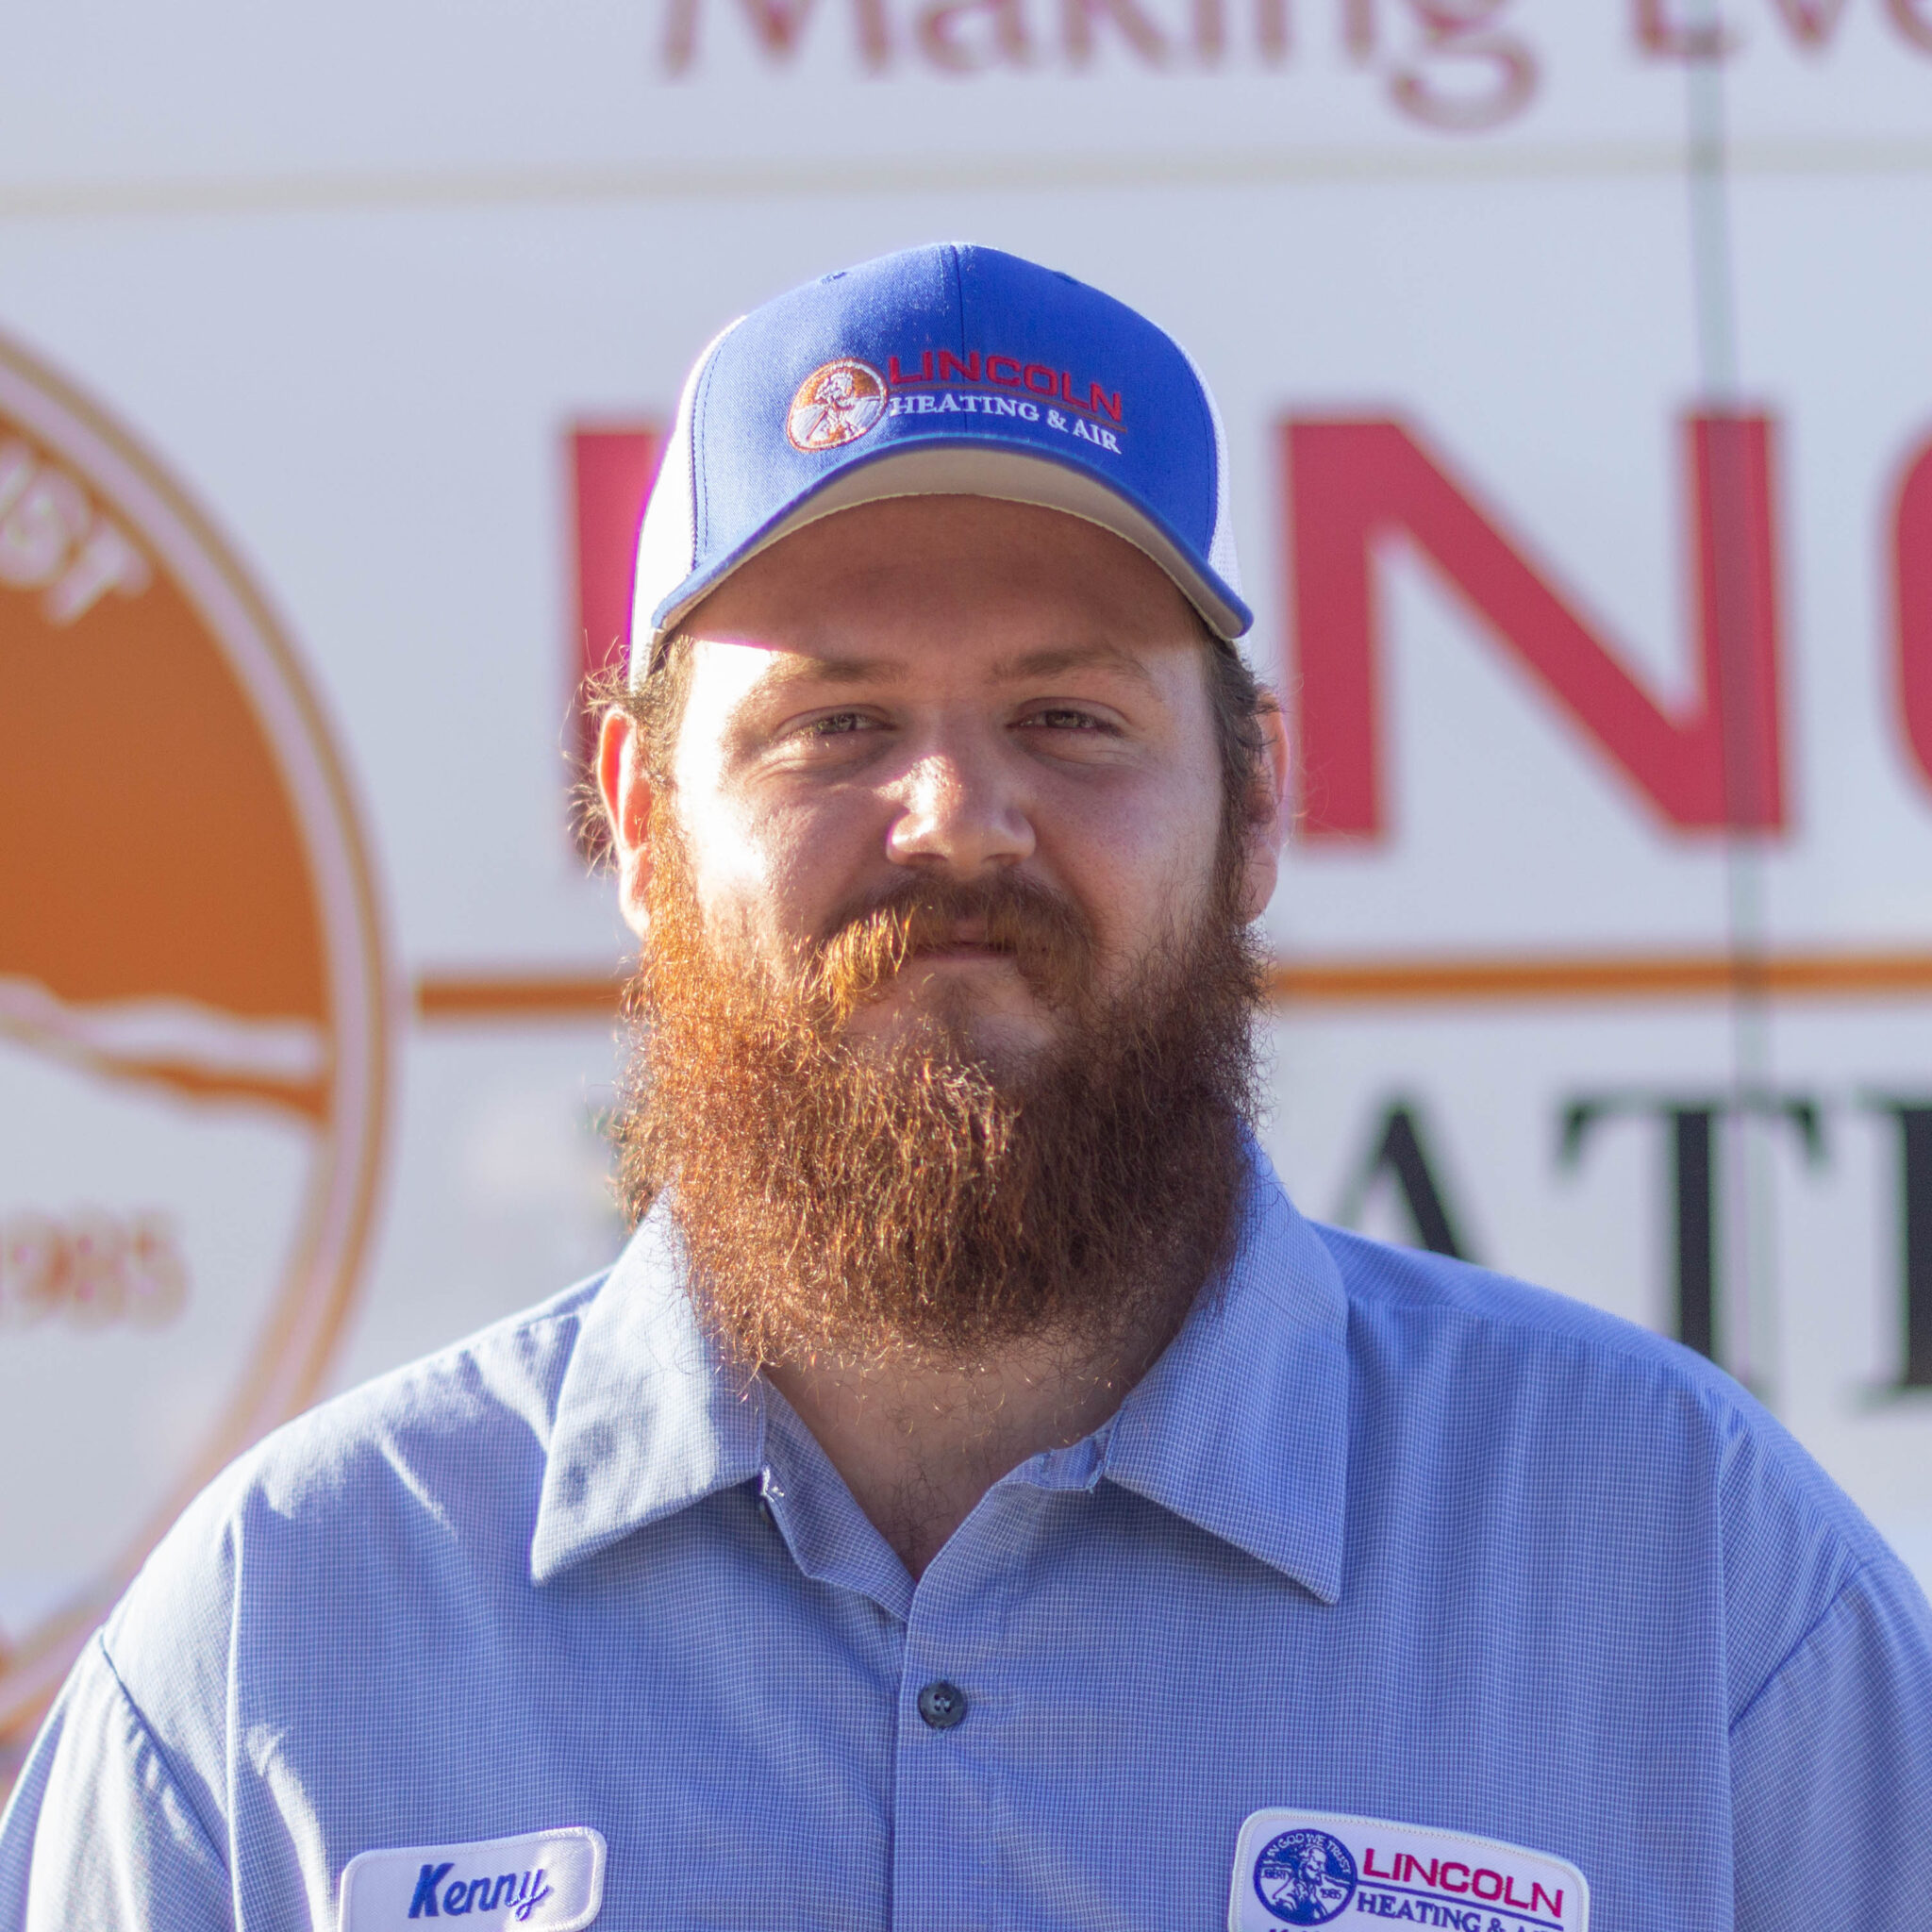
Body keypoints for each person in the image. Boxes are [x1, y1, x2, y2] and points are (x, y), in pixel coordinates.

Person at [2, 242, 1928, 1932]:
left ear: (1255, 806)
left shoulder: (1691, 1592)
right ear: (640, 831)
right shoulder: (284, 1643)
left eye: (1067, 716)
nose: (955, 819)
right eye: (833, 723)